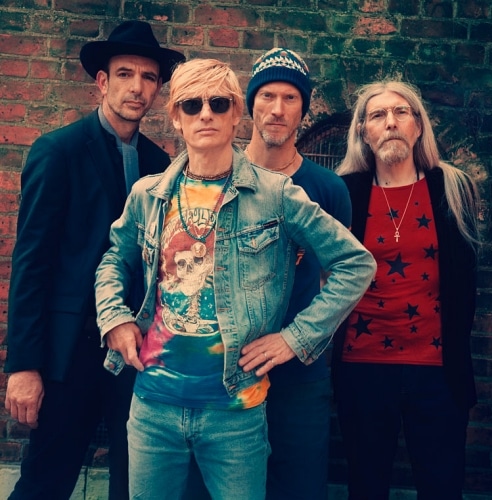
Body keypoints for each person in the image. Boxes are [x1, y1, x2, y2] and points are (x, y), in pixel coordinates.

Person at [94, 57, 376, 500]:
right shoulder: (148, 194)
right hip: (153, 406)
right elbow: (115, 257)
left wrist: (295, 338)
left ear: (235, 114)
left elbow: (355, 264)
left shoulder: (275, 194)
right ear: (176, 118)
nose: (205, 114)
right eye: (192, 105)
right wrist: (114, 316)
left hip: (235, 410)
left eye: (219, 103)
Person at [4, 20, 184, 500]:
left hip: (136, 354)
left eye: (148, 77)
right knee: (45, 482)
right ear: (102, 81)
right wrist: (24, 366)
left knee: (134, 482)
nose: (137, 86)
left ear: (157, 89)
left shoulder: (160, 166)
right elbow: (31, 264)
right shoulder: (58, 151)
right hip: (69, 353)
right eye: (125, 74)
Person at [333, 80, 480, 500]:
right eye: (377, 115)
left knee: (442, 486)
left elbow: (467, 282)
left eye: (401, 112)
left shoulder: (452, 188)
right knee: (366, 485)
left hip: (436, 370)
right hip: (362, 367)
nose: (391, 122)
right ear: (363, 132)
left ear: (418, 126)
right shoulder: (344, 192)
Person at [243, 47, 352, 499]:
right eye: (267, 95)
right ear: (251, 104)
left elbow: (338, 279)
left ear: (304, 110)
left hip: (300, 376)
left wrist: (295, 338)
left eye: (290, 98)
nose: (277, 108)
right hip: (228, 370)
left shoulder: (328, 189)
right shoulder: (218, 175)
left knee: (300, 488)